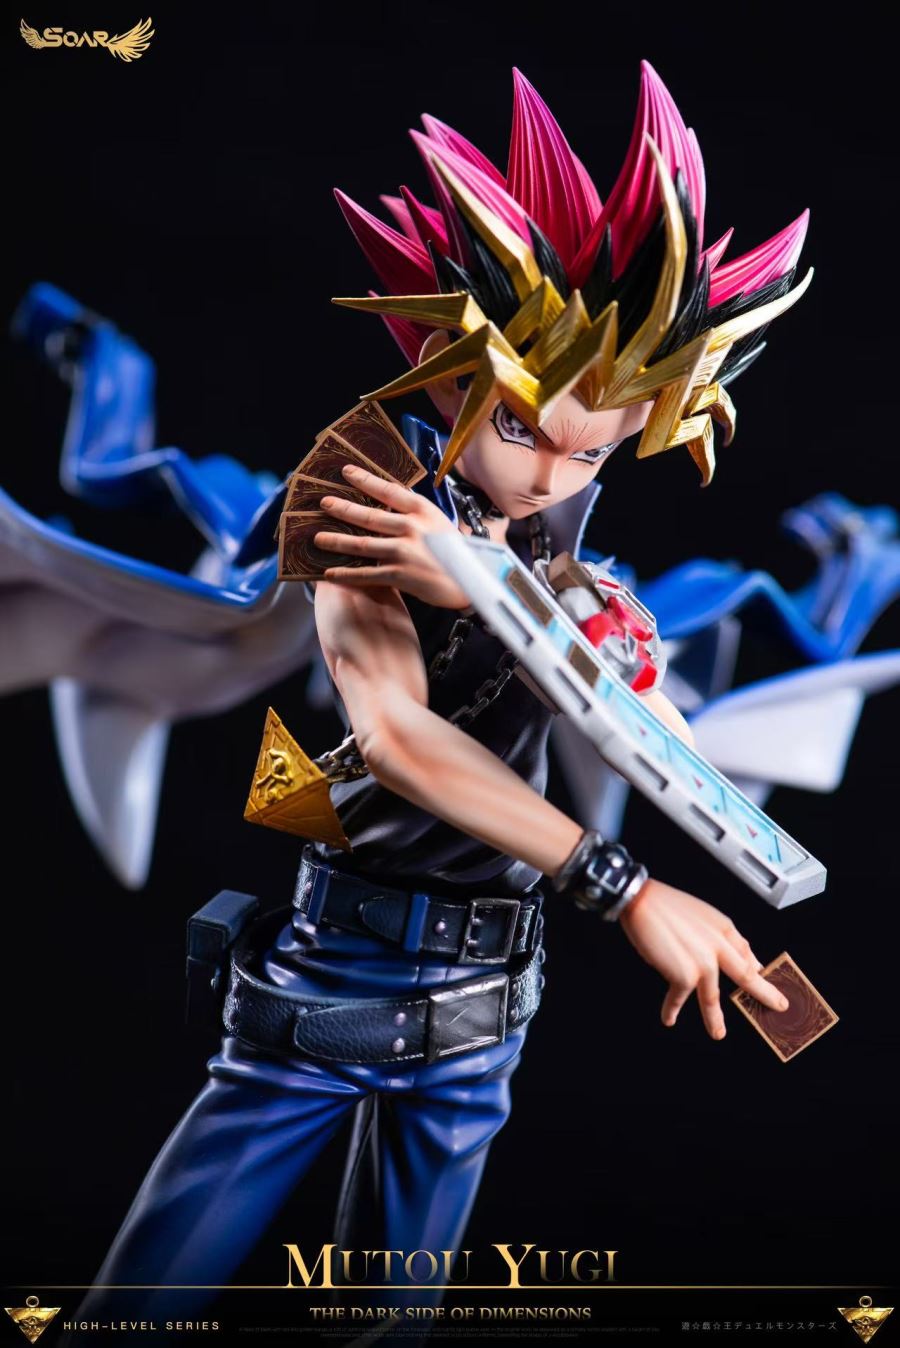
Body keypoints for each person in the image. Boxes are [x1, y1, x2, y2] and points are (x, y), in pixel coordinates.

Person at [66, 59, 810, 1338]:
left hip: (486, 999)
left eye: (595, 447)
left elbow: (633, 711)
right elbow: (400, 737)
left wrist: (559, 623)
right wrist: (629, 889)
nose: (555, 474)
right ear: (454, 367)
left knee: (392, 1323)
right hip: (338, 971)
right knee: (138, 1306)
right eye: (525, 430)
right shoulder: (362, 475)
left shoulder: (560, 526)